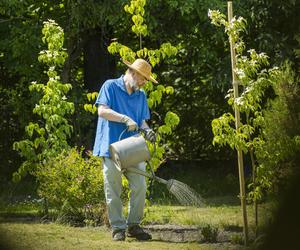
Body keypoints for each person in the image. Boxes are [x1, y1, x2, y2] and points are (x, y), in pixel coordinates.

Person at [93, 58, 157, 241]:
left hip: (133, 147)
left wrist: (148, 130)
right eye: (143, 78)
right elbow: (102, 111)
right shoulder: (110, 86)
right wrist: (123, 118)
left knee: (140, 186)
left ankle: (133, 226)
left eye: (146, 79)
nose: (144, 82)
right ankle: (118, 228)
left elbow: (142, 121)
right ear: (133, 73)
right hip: (111, 147)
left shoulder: (141, 95)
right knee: (113, 189)